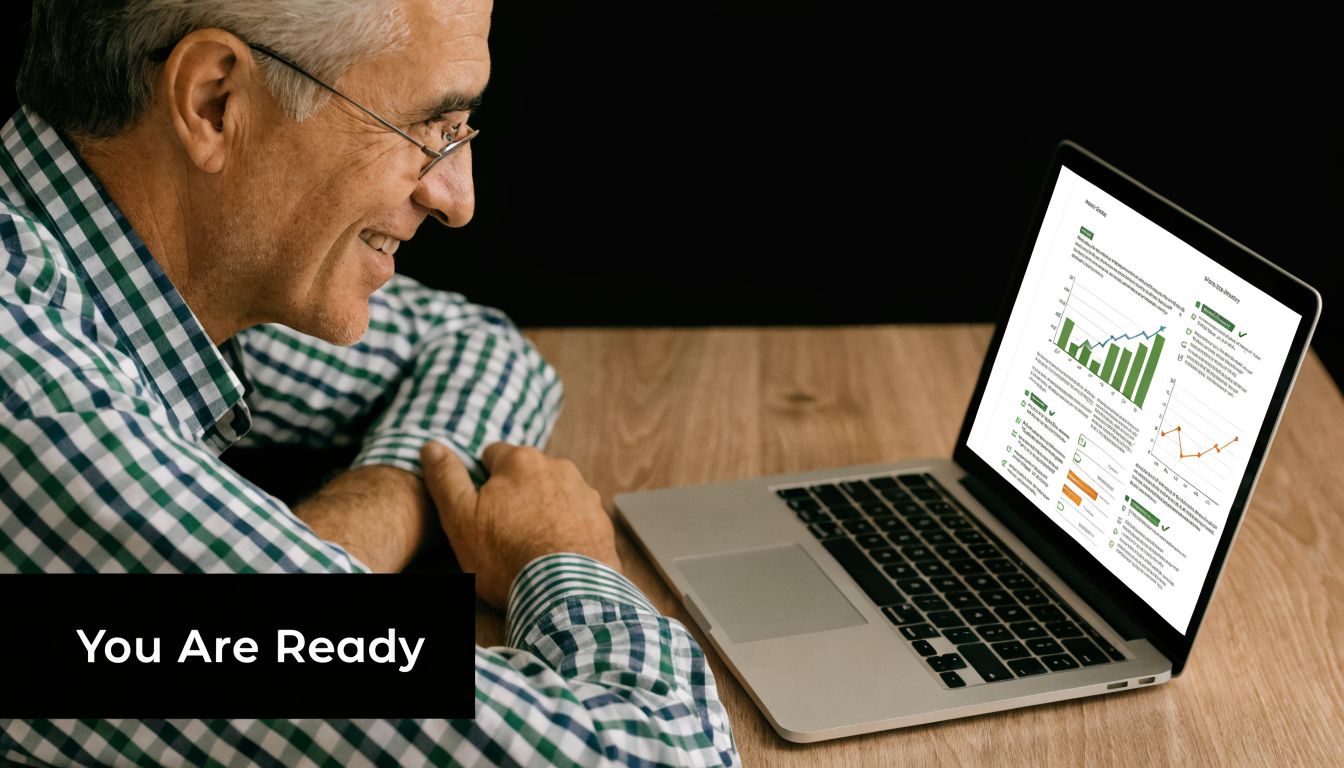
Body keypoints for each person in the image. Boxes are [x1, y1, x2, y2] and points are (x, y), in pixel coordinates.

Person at [0, 0, 739, 765]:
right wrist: (562, 558)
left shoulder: (122, 275)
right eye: (429, 130)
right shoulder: (29, 397)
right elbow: (660, 752)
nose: (457, 198)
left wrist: (357, 529)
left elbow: (475, 344)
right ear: (214, 103)